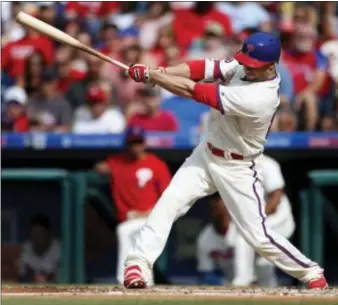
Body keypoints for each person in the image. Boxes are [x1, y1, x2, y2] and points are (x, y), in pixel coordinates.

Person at [123, 32, 327, 289]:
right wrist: (161, 70)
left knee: (257, 236)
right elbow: (203, 68)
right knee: (169, 202)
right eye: (245, 61)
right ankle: (137, 264)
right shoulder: (245, 66)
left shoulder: (261, 97)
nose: (245, 68)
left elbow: (196, 90)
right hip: (206, 153)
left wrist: (155, 77)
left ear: (271, 66)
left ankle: (310, 272)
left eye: (252, 65)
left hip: (238, 166)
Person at [197, 155, 296, 287]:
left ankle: (242, 281)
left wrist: (253, 218)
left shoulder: (267, 164)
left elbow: (276, 199)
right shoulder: (234, 168)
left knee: (243, 236)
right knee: (262, 263)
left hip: (278, 221)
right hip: (259, 222)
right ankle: (267, 292)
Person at [95, 126, 171, 284]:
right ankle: (143, 279)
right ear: (127, 144)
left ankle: (124, 277)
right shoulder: (118, 162)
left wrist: (147, 213)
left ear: (144, 143)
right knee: (127, 230)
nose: (136, 147)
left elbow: (168, 197)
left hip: (152, 219)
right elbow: (100, 168)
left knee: (124, 231)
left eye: (138, 142)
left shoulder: (156, 164)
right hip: (129, 218)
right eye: (132, 143)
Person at [19, 214, 60, 283]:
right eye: (34, 233)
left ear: (47, 233)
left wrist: (47, 277)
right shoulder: (27, 247)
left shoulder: (58, 247)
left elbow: (59, 275)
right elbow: (24, 273)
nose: (36, 236)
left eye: (40, 233)